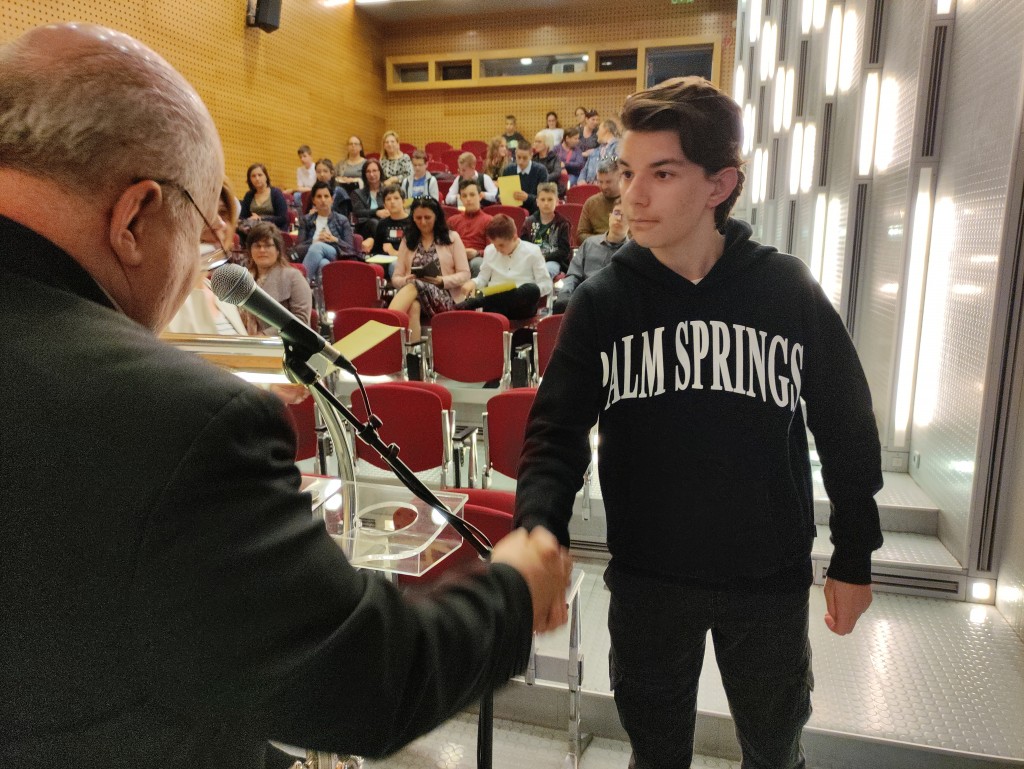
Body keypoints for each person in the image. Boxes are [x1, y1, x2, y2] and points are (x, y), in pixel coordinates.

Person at [0, 23, 572, 768]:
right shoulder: (175, 420)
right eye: (200, 229)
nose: (202, 263)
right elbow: (367, 683)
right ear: (136, 216)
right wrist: (515, 592)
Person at [514, 76, 883, 769]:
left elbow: (846, 423)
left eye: (662, 173)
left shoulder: (785, 289)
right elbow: (555, 434)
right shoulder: (603, 302)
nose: (632, 195)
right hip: (648, 577)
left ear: (720, 184)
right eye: (628, 172)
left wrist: (854, 551)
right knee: (655, 756)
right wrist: (540, 528)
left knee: (775, 751)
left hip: (768, 578)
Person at [166, 179, 247, 335]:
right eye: (205, 212)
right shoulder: (162, 303)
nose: (220, 224)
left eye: (223, 212)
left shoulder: (221, 294)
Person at [389, 197, 472, 340]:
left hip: (445, 296)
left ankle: (386, 325)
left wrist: (442, 280)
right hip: (415, 294)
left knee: (415, 285)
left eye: (427, 217)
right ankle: (413, 351)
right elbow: (396, 277)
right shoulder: (408, 240)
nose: (423, 222)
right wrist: (405, 280)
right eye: (418, 218)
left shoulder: (452, 238)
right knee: (413, 306)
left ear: (436, 217)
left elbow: (465, 274)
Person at [461, 214, 552, 320]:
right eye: (494, 245)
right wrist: (473, 282)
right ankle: (481, 300)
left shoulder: (533, 251)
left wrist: (518, 293)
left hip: (521, 303)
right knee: (493, 294)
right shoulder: (490, 250)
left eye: (501, 245)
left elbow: (546, 284)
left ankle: (472, 303)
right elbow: (483, 278)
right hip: (495, 302)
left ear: (514, 237)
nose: (497, 249)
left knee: (531, 289)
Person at [553, 202, 628, 314]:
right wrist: (565, 293)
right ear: (610, 216)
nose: (619, 218)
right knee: (562, 304)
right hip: (585, 299)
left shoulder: (631, 253)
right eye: (616, 213)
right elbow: (574, 275)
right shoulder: (589, 244)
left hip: (614, 305)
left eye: (625, 216)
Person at [243, 222, 313, 333]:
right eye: (257, 246)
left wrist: (264, 336)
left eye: (267, 245)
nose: (262, 250)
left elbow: (301, 321)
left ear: (278, 250)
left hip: (282, 342)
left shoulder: (293, 277)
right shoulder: (243, 280)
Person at [296, 180, 357, 283]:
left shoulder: (342, 220)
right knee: (323, 263)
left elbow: (350, 248)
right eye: (319, 197)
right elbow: (299, 248)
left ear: (332, 199)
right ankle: (320, 294)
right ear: (313, 200)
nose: (323, 200)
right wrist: (315, 241)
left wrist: (334, 239)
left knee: (318, 247)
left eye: (326, 196)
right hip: (315, 255)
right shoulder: (306, 220)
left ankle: (300, 285)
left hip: (335, 253)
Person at [520, 182, 571, 278]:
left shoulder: (563, 223)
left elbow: (564, 251)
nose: (546, 203)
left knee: (544, 271)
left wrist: (544, 257)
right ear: (537, 202)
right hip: (532, 261)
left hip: (554, 262)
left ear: (557, 201)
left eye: (550, 199)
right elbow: (523, 246)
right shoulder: (529, 222)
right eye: (542, 200)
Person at [447, 177, 494, 274]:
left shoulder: (489, 220)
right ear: (460, 198)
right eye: (464, 196)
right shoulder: (452, 221)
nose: (468, 199)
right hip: (455, 258)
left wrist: (477, 253)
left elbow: (494, 250)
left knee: (477, 264)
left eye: (472, 195)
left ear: (480, 196)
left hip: (477, 258)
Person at [578, 157, 622, 240]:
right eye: (600, 182)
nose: (604, 186)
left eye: (608, 182)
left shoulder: (631, 202)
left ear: (620, 178)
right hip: (597, 246)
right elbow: (581, 234)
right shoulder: (591, 203)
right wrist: (605, 240)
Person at [239, 162, 289, 234]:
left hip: (273, 230)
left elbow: (283, 218)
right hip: (254, 230)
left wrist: (261, 218)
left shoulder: (276, 193)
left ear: (266, 177)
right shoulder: (249, 195)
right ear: (250, 179)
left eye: (260, 175)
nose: (257, 178)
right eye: (253, 176)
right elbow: (243, 217)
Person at [363, 184, 409, 257]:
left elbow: (416, 251)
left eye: (396, 198)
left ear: (403, 202)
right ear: (385, 205)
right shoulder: (382, 224)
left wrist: (394, 252)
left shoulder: (413, 222)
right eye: (388, 199)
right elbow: (376, 250)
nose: (392, 202)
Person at [501, 144, 548, 214]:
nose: (521, 161)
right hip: (511, 211)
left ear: (531, 155)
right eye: (518, 157)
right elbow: (499, 194)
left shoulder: (540, 171)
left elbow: (544, 197)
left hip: (534, 212)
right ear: (515, 154)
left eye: (525, 158)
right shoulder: (508, 170)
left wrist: (528, 197)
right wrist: (501, 196)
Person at [351, 157, 387, 239]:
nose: (371, 174)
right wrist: (376, 212)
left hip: (384, 223)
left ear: (380, 172)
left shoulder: (387, 191)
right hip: (364, 227)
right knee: (374, 222)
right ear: (364, 174)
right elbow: (358, 212)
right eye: (368, 171)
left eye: (374, 171)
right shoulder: (357, 193)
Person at [579, 119, 620, 184]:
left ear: (606, 130)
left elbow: (614, 164)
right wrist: (581, 180)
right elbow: (584, 170)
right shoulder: (595, 151)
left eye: (599, 130)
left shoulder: (618, 147)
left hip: (607, 185)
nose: (597, 133)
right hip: (590, 186)